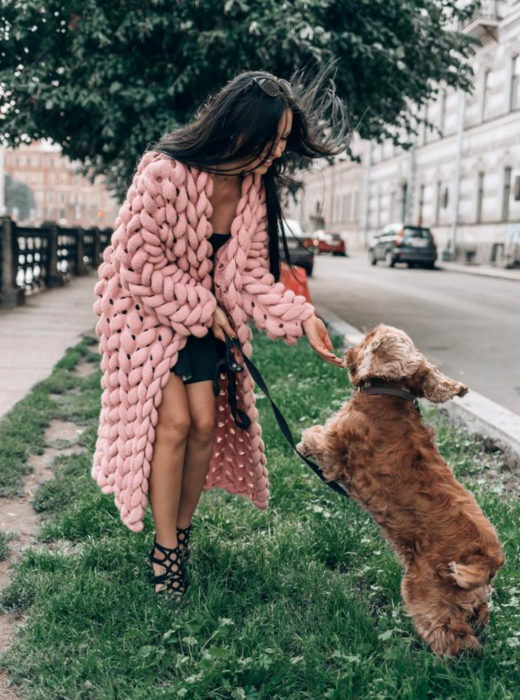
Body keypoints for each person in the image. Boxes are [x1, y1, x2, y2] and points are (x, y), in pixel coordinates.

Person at [93, 61, 353, 596]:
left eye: (284, 140)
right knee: (174, 425)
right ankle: (165, 553)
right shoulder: (164, 172)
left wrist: (303, 318)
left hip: (204, 318)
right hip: (141, 313)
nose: (279, 152)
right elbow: (136, 262)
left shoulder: (254, 188)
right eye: (273, 139)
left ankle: (181, 534)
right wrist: (198, 302)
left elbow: (253, 275)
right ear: (240, 129)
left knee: (206, 424)